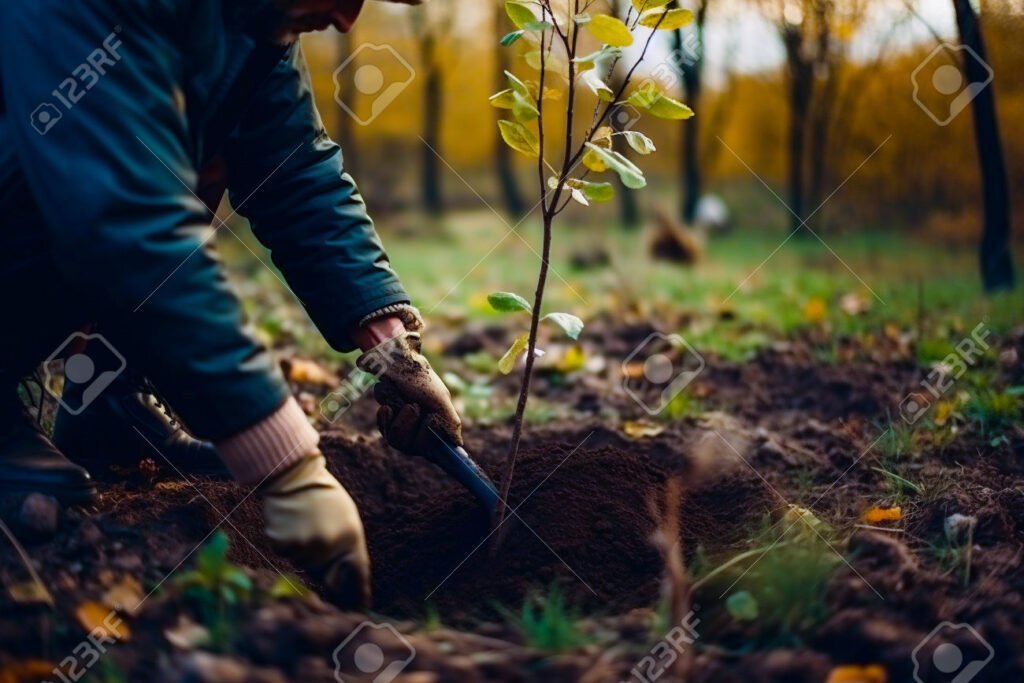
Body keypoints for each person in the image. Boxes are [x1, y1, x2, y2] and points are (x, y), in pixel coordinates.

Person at [0, 0, 462, 608]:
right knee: (119, 180)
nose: (349, 20)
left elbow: (294, 173)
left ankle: (106, 403)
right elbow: (124, 220)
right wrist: (287, 466)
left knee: (191, 157)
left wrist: (391, 345)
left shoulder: (254, 22)